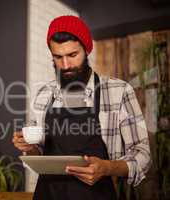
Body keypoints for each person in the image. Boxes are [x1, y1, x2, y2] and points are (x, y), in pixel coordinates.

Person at [12, 16, 151, 200]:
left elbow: (142, 155)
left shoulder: (119, 91)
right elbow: (37, 153)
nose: (66, 65)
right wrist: (28, 148)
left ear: (87, 50)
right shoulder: (44, 95)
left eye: (72, 55)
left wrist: (107, 168)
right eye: (58, 57)